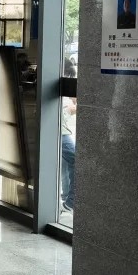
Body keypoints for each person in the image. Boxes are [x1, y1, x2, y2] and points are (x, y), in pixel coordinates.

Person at [61, 57, 77, 212]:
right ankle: (71, 202)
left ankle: (66, 196)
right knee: (75, 159)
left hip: (60, 131)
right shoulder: (57, 82)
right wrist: (70, 110)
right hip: (60, 132)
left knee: (66, 163)